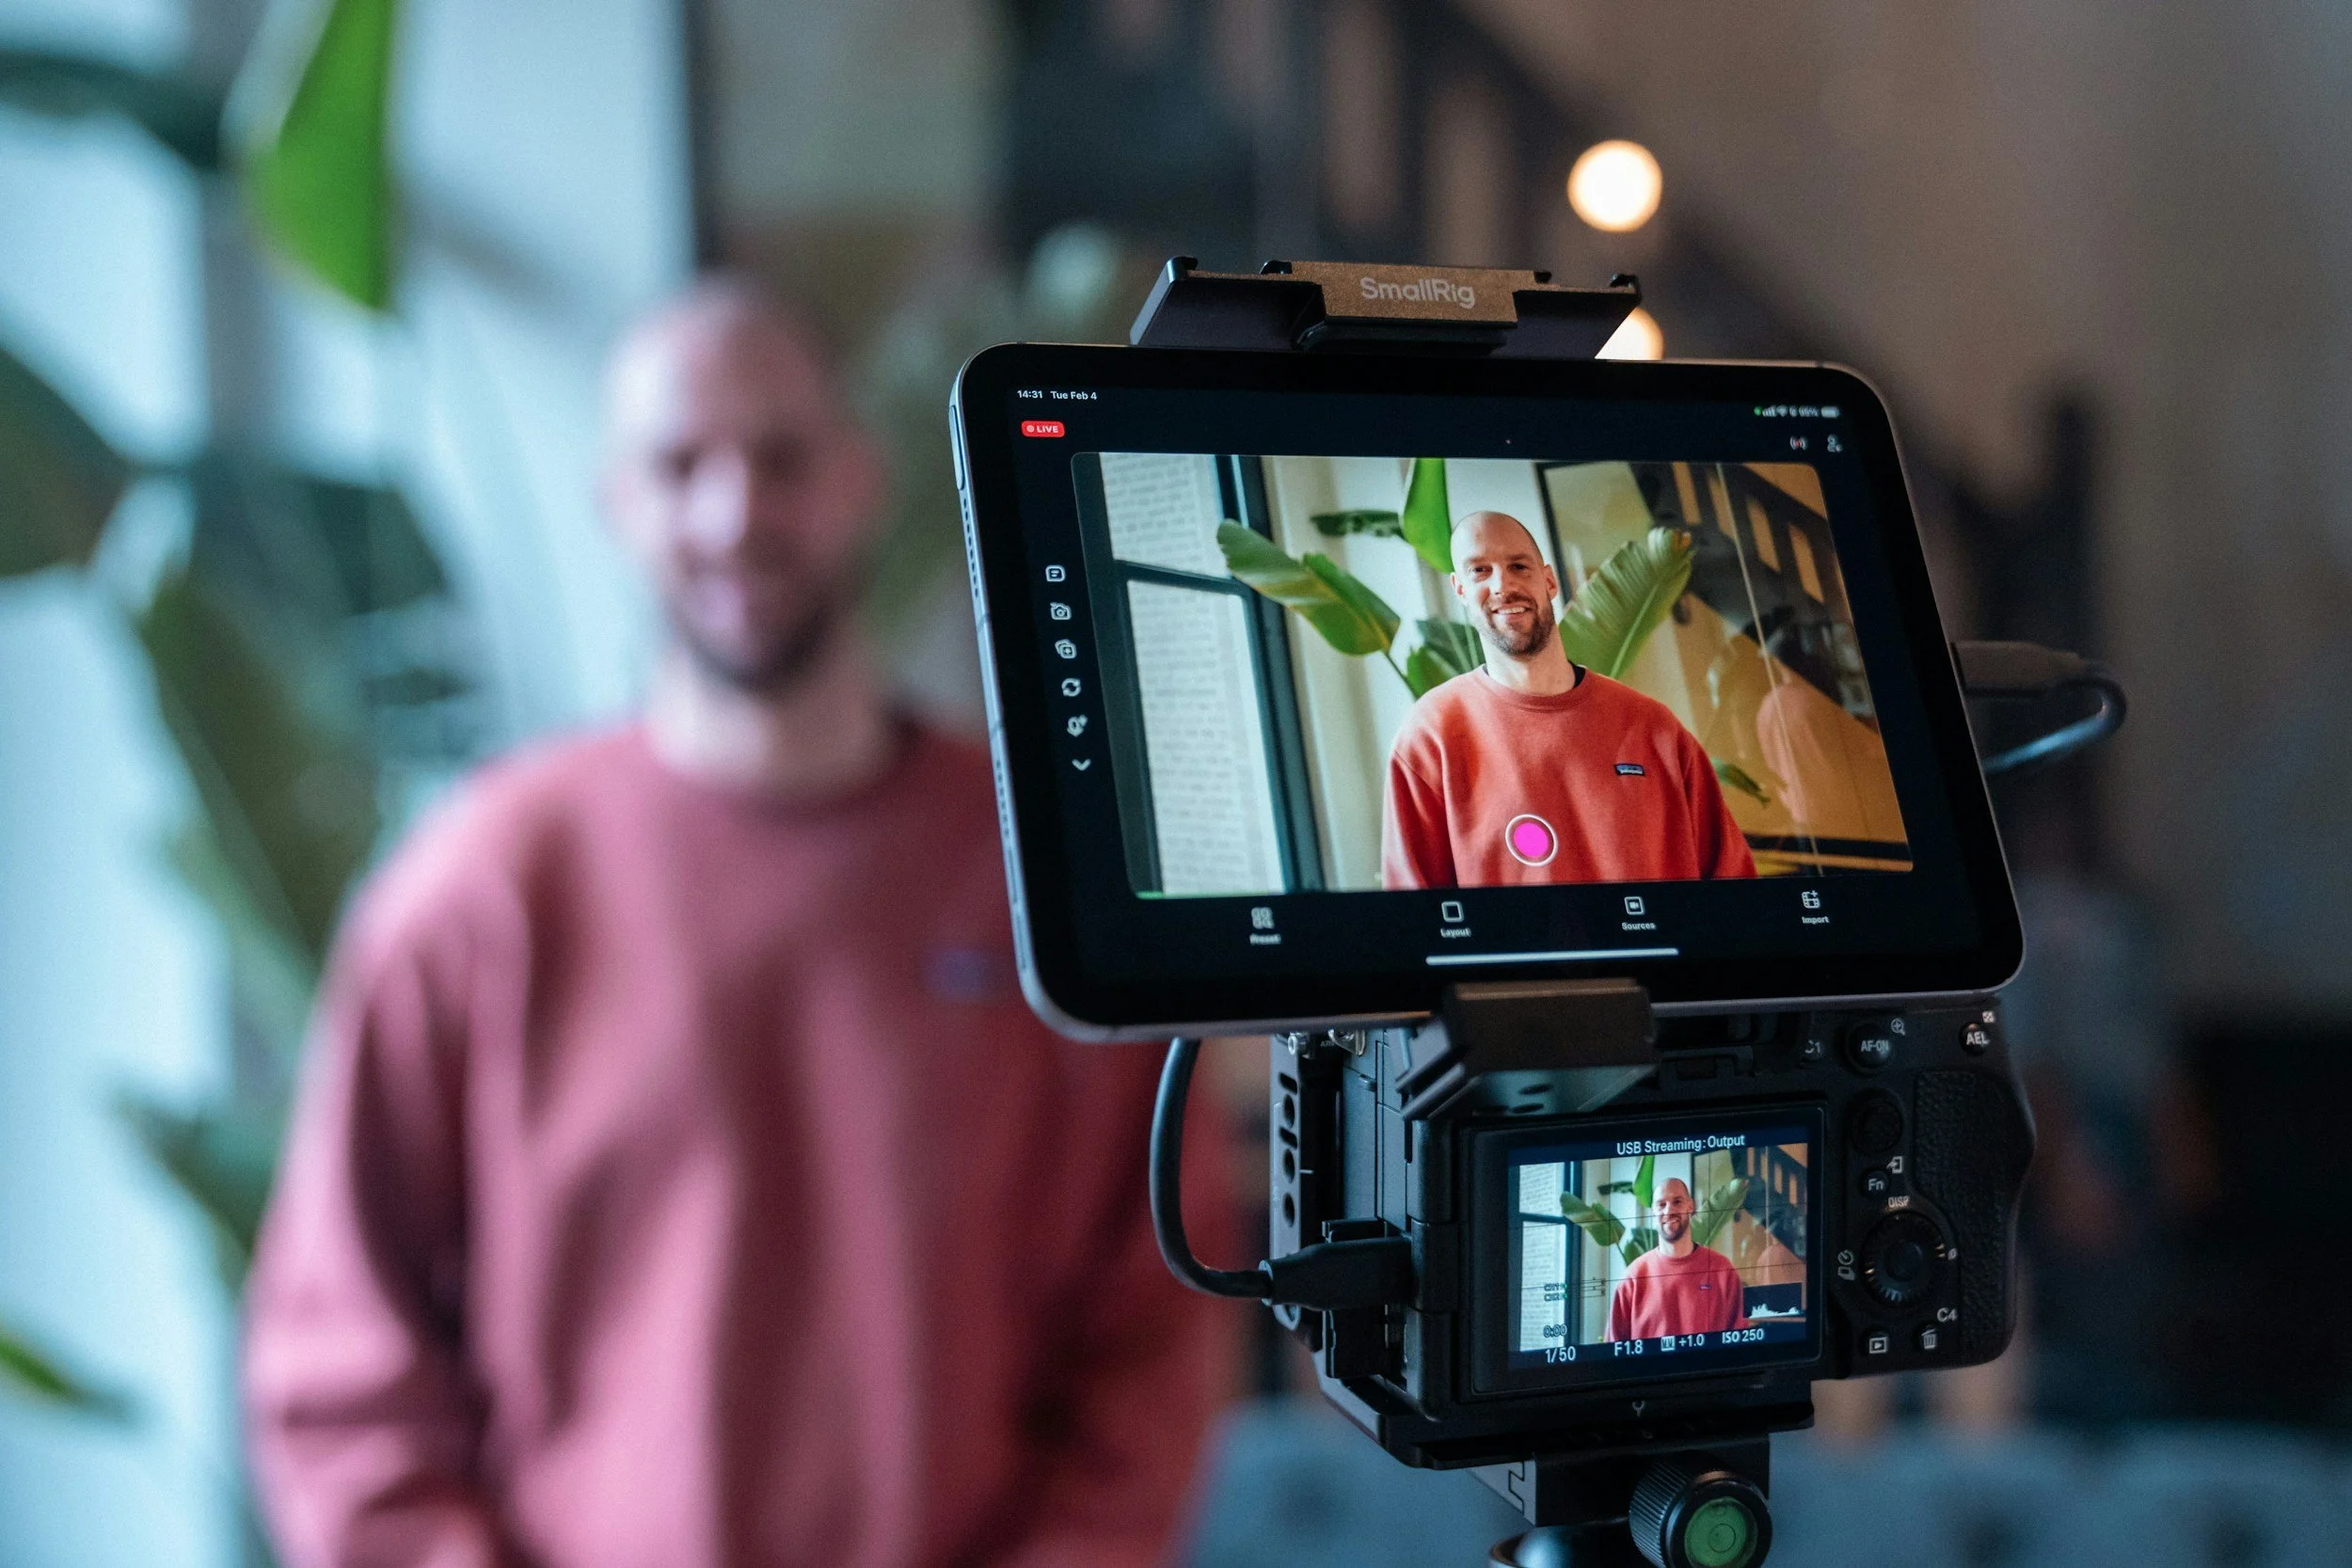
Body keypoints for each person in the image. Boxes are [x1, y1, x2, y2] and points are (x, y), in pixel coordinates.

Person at [241, 279, 1236, 1568]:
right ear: (617, 503)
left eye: (781, 455)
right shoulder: (477, 890)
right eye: (680, 463)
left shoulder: (1044, 873)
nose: (735, 511)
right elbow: (340, 1363)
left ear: (862, 476)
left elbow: (1152, 1330)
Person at [1381, 510, 1756, 889]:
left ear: (1548, 580)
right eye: (1480, 570)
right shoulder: (1431, 735)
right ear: (1460, 589)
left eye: (1518, 566)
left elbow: (1734, 886)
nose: (1502, 585)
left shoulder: (1653, 726)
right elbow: (1417, 919)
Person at [1606, 1179, 1751, 1341]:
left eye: (1677, 1202)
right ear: (1653, 1211)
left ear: (1690, 1206)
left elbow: (1739, 1345)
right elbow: (1615, 1352)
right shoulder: (1632, 1278)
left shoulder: (1722, 1270)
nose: (1669, 1210)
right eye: (1661, 1205)